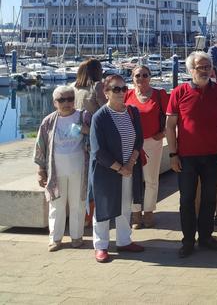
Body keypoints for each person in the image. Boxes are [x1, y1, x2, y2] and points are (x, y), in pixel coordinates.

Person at [166, 51, 217, 258]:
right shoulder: (179, 92)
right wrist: (172, 154)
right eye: (200, 67)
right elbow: (170, 126)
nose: (204, 71)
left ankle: (205, 237)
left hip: (213, 154)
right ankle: (187, 240)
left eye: (207, 67)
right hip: (186, 157)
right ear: (190, 70)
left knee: (209, 198)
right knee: (186, 200)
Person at [89, 75, 145, 263]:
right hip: (106, 171)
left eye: (123, 88)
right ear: (106, 93)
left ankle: (124, 240)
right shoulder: (100, 117)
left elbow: (138, 140)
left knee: (124, 206)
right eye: (116, 89)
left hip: (129, 168)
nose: (121, 93)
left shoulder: (133, 112)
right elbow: (98, 150)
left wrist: (130, 164)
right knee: (104, 208)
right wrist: (119, 168)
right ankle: (101, 246)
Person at [34, 86, 91, 251]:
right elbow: (40, 146)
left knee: (78, 204)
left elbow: (97, 135)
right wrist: (40, 171)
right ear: (54, 103)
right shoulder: (49, 121)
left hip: (79, 168)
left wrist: (85, 130)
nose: (66, 103)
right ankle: (55, 238)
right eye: (62, 100)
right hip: (56, 170)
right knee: (56, 204)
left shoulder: (84, 116)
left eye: (70, 99)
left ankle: (77, 237)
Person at [124, 65, 169, 229]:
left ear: (150, 77)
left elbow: (172, 115)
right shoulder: (127, 95)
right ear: (132, 77)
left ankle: (149, 211)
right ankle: (135, 213)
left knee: (151, 179)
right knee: (132, 179)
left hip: (152, 142)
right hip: (131, 144)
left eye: (144, 75)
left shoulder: (159, 94)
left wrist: (163, 133)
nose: (141, 78)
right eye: (137, 75)